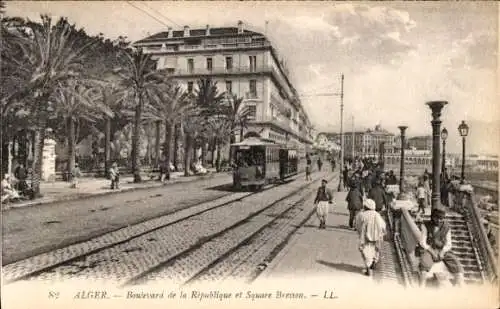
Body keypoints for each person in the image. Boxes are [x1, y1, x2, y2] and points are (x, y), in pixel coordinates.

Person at [418, 207, 465, 287]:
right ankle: (421, 287)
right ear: (432, 217)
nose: (439, 221)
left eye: (441, 219)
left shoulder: (446, 227)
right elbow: (423, 242)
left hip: (443, 249)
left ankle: (461, 285)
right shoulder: (425, 225)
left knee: (457, 265)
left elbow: (449, 243)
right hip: (429, 249)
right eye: (437, 218)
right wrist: (432, 252)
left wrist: (442, 252)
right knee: (424, 266)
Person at [355, 199, 387, 276]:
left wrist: (360, 232)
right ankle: (374, 262)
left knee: (365, 250)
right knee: (376, 250)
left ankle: (368, 267)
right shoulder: (377, 215)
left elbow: (357, 225)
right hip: (376, 237)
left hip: (365, 236)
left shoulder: (361, 215)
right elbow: (383, 226)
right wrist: (381, 233)